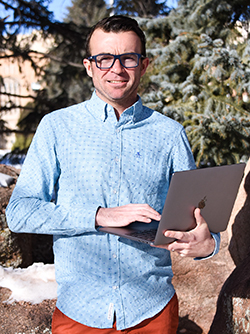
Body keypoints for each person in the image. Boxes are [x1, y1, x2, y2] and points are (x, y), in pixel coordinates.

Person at [6, 15, 220, 334]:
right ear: (89, 65)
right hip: (79, 314)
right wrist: (99, 215)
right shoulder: (56, 128)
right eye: (105, 59)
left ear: (143, 64)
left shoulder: (170, 135)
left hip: (153, 313)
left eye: (128, 59)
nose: (116, 70)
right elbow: (19, 214)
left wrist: (207, 245)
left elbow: (199, 223)